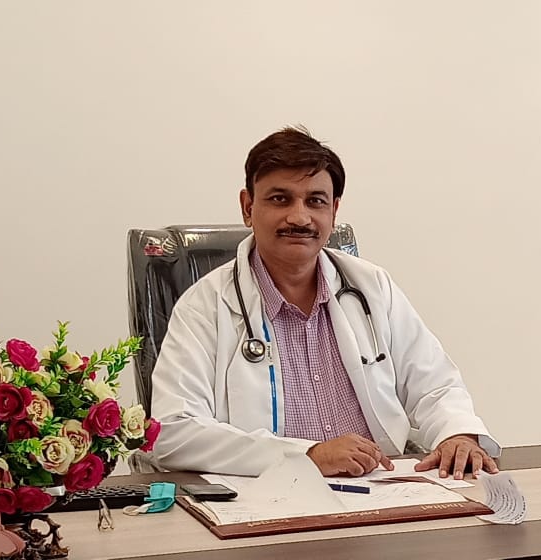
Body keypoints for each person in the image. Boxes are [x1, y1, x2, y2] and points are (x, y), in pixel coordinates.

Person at [150, 126, 500, 478]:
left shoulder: (372, 286)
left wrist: (457, 433)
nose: (299, 217)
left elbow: (435, 385)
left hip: (381, 488)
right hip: (269, 494)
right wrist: (308, 456)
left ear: (333, 211)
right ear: (248, 207)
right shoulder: (205, 306)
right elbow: (173, 432)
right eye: (280, 199)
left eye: (315, 201)